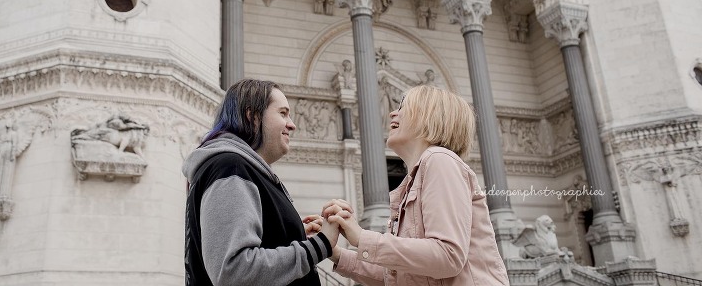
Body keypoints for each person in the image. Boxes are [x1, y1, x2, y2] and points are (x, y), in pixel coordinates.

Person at [323, 84, 509, 286]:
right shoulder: (418, 176)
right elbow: (398, 275)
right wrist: (335, 252)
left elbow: (447, 256)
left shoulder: (439, 159)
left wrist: (360, 237)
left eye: (403, 107)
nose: (393, 113)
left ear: (429, 115)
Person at [183, 78, 339, 286]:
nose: (292, 125)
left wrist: (287, 233)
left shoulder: (237, 169)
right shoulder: (230, 167)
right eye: (283, 113)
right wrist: (321, 244)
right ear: (252, 116)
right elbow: (233, 270)